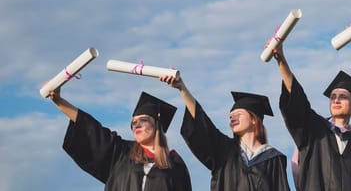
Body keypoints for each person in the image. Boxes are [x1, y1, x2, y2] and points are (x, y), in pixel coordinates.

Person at [161, 74, 290, 191]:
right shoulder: (224, 150)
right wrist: (182, 89)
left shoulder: (273, 158)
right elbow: (203, 125)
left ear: (254, 120)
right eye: (230, 116)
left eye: (238, 114)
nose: (233, 118)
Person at [271, 43, 351, 191]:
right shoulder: (314, 129)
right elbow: (297, 103)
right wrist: (281, 61)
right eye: (333, 97)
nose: (336, 100)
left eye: (342, 97)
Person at [49, 89, 192, 191]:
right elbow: (91, 128)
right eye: (134, 122)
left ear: (157, 126)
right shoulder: (121, 153)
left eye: (143, 120)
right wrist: (59, 101)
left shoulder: (175, 165)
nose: (137, 125)